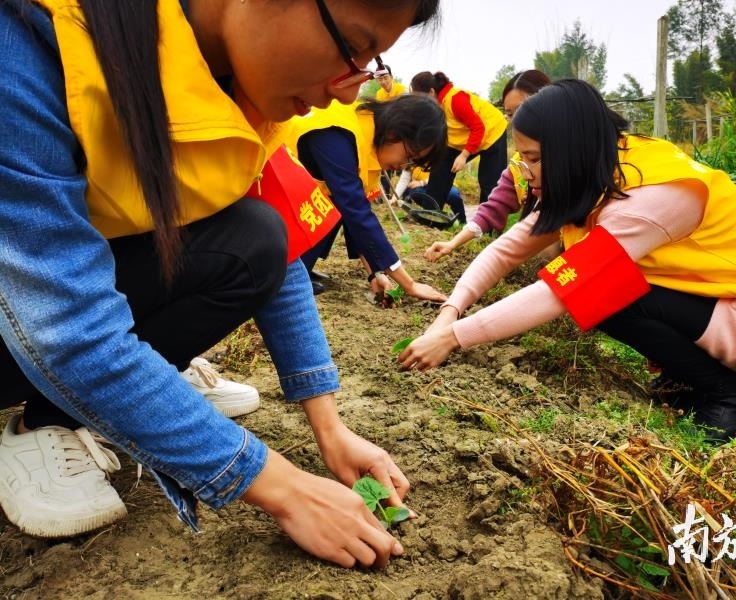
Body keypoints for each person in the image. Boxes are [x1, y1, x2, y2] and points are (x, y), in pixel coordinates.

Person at [0, 0, 440, 569]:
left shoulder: (233, 94)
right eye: (349, 47)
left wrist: (330, 428)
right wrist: (280, 486)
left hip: (45, 312)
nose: (346, 92)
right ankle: (45, 422)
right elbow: (63, 328)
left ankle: (143, 389)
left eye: (367, 64)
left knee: (255, 235)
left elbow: (272, 255)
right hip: (27, 322)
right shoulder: (28, 44)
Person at [398, 79, 736, 443]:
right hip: (733, 310)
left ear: (571, 149)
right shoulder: (600, 173)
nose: (526, 172)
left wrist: (452, 338)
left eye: (534, 159)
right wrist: (449, 312)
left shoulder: (648, 199)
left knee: (602, 293)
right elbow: (508, 247)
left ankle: (730, 401)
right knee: (604, 289)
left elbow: (558, 291)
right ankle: (697, 380)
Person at [275, 95, 449, 305]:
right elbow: (354, 210)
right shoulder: (337, 133)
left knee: (332, 210)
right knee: (327, 210)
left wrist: (375, 273)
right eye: (409, 156)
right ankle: (284, 279)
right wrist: (409, 284)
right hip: (266, 199)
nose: (404, 165)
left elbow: (352, 213)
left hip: (291, 205)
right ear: (396, 130)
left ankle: (296, 274)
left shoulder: (367, 141)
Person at [423, 70, 551, 261]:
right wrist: (453, 243)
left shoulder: (580, 155)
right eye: (510, 113)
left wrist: (464, 155)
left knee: (547, 246)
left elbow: (478, 127)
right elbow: (495, 205)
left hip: (594, 239)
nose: (518, 120)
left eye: (524, 109)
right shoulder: (518, 165)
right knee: (541, 248)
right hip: (552, 231)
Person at [409, 70, 507, 209]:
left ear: (431, 92)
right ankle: (430, 214)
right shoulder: (435, 105)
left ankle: (489, 227)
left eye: (419, 97)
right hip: (465, 138)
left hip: (492, 132)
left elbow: (478, 127)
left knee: (489, 182)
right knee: (440, 167)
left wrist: (464, 155)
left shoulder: (455, 99)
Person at [394, 166, 466, 223]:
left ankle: (462, 221)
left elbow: (441, 175)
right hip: (422, 188)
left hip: (444, 184)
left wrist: (422, 182)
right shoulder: (412, 158)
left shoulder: (439, 153)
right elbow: (404, 180)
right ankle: (424, 215)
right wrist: (394, 198)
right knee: (413, 192)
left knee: (454, 195)